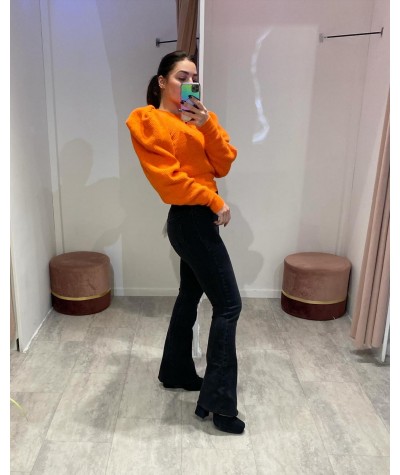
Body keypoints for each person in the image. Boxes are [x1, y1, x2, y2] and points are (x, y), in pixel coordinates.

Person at [126, 51, 244, 434]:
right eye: (181, 76)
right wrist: (214, 200)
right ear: (162, 81)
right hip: (190, 219)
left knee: (190, 295)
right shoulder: (149, 121)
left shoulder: (199, 120)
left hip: (199, 220)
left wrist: (207, 125)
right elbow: (169, 182)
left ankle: (176, 370)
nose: (189, 84)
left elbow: (223, 163)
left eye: (194, 78)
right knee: (229, 304)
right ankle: (220, 404)